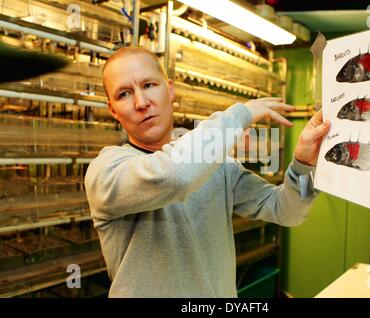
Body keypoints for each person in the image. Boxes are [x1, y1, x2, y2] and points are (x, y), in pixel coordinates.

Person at [85, 47, 330, 297]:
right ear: (113, 110)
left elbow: (286, 210)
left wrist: (303, 164)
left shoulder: (215, 164)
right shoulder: (106, 171)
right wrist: (240, 115)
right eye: (124, 93)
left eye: (148, 85)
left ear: (170, 90)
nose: (141, 102)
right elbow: (174, 177)